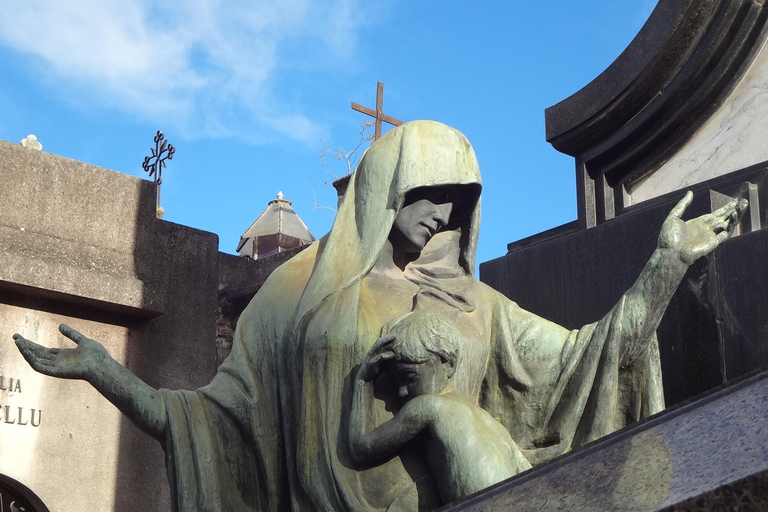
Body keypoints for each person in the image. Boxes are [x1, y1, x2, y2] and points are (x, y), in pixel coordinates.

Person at [13, 120, 746, 511]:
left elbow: (587, 360)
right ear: (387, 192)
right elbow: (213, 419)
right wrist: (110, 375)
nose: (443, 213)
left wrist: (665, 264)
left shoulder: (478, 303)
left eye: (458, 202)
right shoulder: (297, 296)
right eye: (429, 193)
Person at [349, 310, 532, 504]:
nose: (401, 392)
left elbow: (361, 448)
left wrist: (363, 380)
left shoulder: (429, 406)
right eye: (396, 381)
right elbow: (533, 478)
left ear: (448, 364)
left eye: (409, 377)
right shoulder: (495, 426)